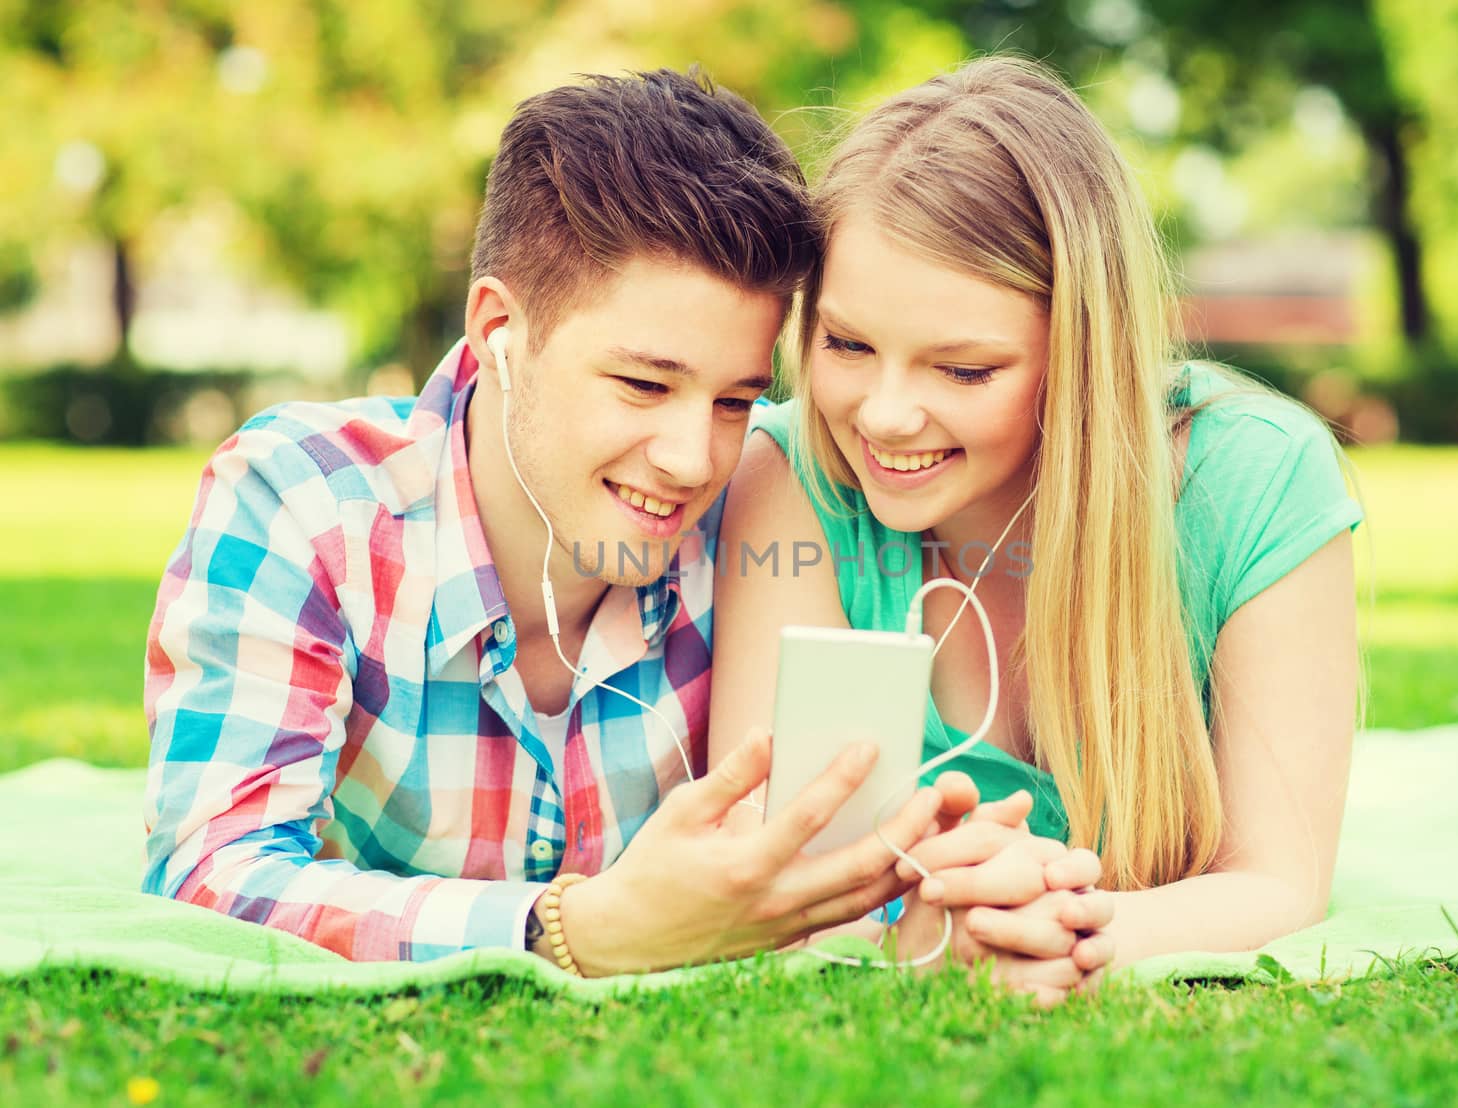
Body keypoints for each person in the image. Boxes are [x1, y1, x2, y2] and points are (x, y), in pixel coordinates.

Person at [141, 68, 969, 972]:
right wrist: (576, 926)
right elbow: (212, 874)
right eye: (644, 384)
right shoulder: (302, 503)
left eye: (735, 399)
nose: (693, 459)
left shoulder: (771, 503)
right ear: (500, 328)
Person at [709, 57, 1363, 1005]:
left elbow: (1279, 878)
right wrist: (938, 931)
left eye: (963, 370)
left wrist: (1073, 930)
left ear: (1082, 351)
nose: (885, 416)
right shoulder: (789, 476)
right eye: (847, 345)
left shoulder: (1257, 478)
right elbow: (778, 862)